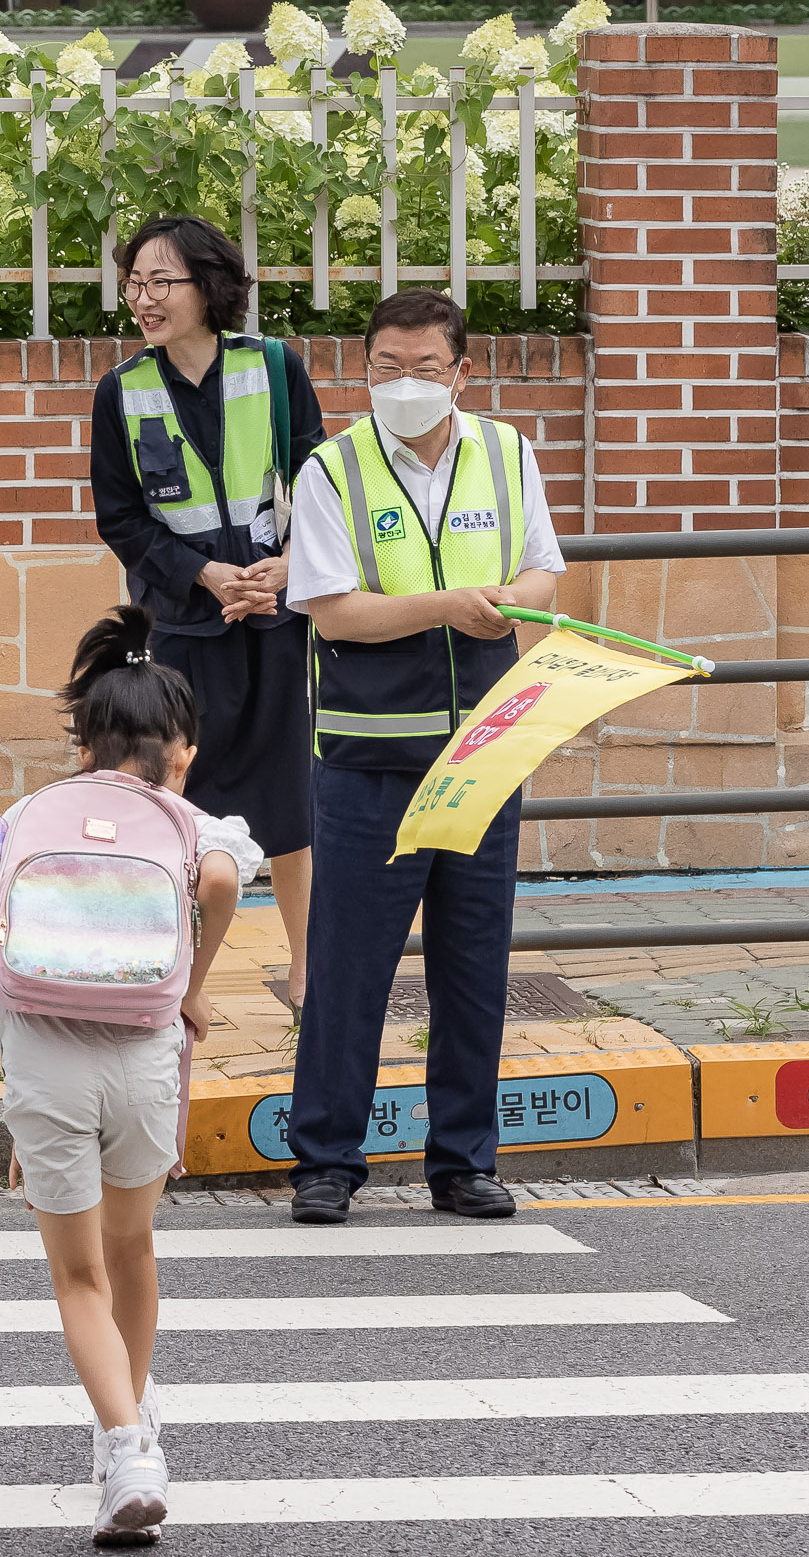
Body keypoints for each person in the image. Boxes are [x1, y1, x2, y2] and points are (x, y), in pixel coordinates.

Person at [280, 288, 566, 1226]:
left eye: (426, 368)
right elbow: (332, 608)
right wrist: (448, 604)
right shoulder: (333, 470)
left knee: (473, 962)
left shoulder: (508, 452)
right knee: (350, 965)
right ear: (365, 371)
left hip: (485, 748)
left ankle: (464, 1162)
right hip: (369, 757)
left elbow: (542, 572)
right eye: (386, 369)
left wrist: (506, 598)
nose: (405, 385)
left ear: (463, 372)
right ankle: (325, 1159)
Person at [0, 604, 260, 1547]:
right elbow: (224, 882)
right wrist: (193, 978)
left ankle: (126, 1442)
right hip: (145, 1059)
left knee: (75, 1272)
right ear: (180, 752)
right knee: (133, 1246)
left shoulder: (27, 816)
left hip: (47, 1063)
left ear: (83, 743)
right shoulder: (194, 822)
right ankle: (128, 1441)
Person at [90, 214, 324, 1001]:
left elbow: (321, 486)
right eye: (134, 283)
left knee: (293, 798)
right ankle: (180, 985)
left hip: (274, 621)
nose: (143, 299)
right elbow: (121, 520)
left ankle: (306, 968)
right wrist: (205, 574)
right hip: (181, 631)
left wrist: (288, 569)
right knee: (174, 801)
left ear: (209, 287)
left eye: (162, 282)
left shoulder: (276, 368)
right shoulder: (121, 390)